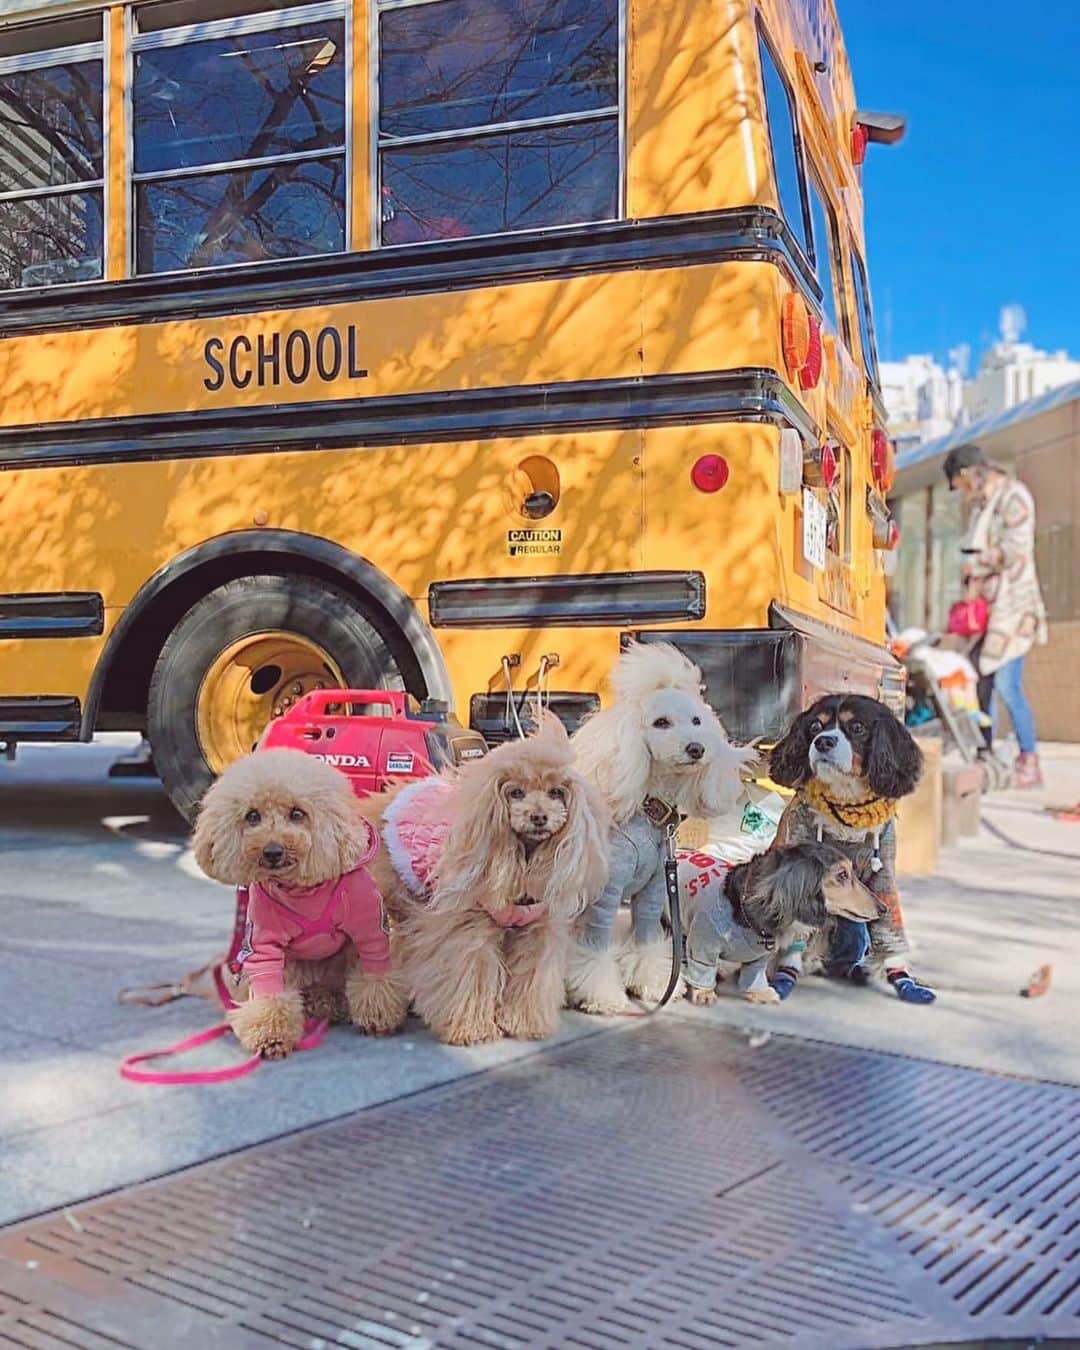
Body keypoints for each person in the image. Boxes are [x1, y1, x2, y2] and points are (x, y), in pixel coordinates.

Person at [943, 442, 1048, 788]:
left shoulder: (1014, 498)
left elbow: (1017, 550)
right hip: (988, 612)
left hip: (1013, 610)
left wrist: (978, 562)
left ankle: (1029, 759)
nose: (961, 493)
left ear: (968, 475)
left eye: (959, 485)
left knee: (1006, 685)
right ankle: (983, 752)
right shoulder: (983, 506)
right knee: (979, 680)